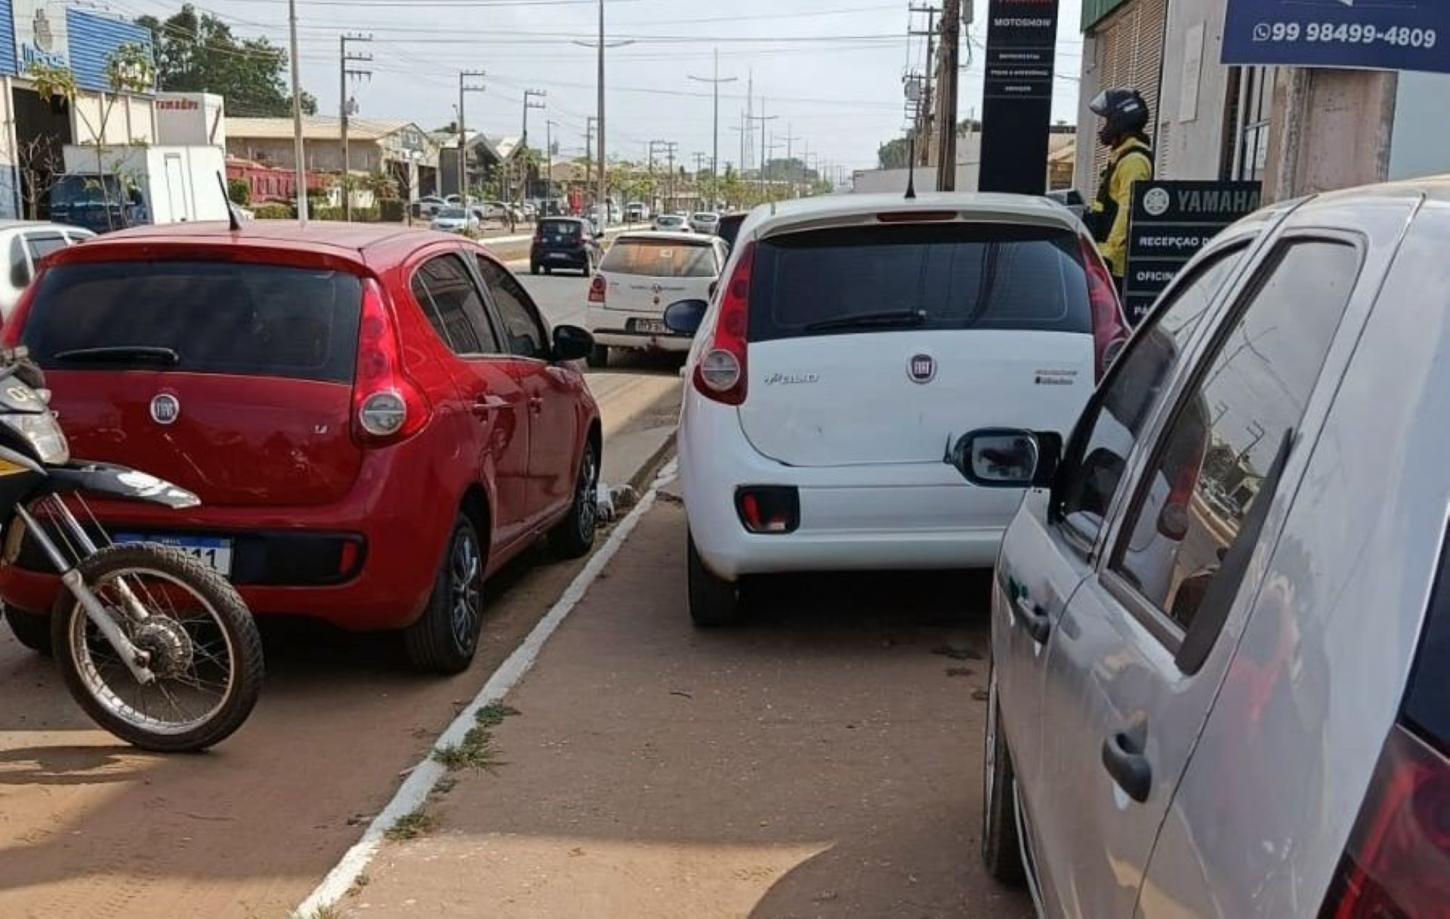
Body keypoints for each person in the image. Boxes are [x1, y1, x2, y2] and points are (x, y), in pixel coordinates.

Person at [1086, 88, 1154, 292]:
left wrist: (1109, 255)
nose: (1104, 128)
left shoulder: (1133, 161)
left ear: (1120, 121)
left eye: (1107, 121)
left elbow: (1127, 211)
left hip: (1115, 266)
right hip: (1105, 257)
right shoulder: (1121, 156)